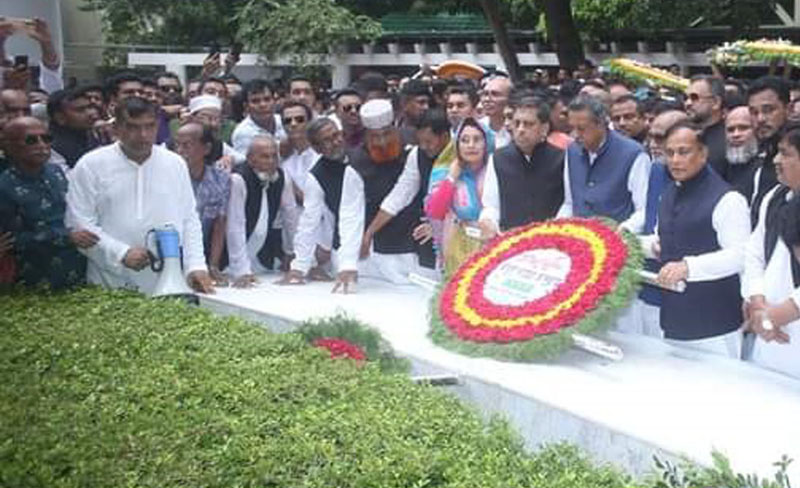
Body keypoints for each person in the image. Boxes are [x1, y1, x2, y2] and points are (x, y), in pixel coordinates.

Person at [66, 97, 214, 295]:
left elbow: (189, 219)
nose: (143, 135)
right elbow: (79, 224)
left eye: (150, 126)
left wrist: (196, 266)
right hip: (108, 281)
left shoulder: (174, 164)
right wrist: (121, 253)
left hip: (168, 282)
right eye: (133, 127)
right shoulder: (91, 165)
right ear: (116, 128)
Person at [642, 122, 750, 357]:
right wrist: (633, 245)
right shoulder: (669, 193)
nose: (675, 160)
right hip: (674, 319)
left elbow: (741, 255)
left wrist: (689, 267)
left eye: (683, 152)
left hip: (715, 326)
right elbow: (663, 241)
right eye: (670, 153)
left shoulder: (729, 199)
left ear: (703, 153)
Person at [335, 99, 421, 292]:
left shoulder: (415, 144)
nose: (381, 142)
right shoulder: (356, 163)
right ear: (366, 136)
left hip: (416, 241)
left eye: (386, 135)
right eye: (375, 137)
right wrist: (348, 263)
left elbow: (403, 194)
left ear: (395, 128)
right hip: (378, 250)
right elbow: (350, 211)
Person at [0, 117, 92, 289]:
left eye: (46, 138)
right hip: (36, 280)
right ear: (9, 146)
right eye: (31, 140)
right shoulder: (4, 187)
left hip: (77, 271)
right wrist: (65, 237)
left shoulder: (55, 172)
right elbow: (12, 241)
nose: (41, 145)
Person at [742, 124, 800, 379]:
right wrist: (757, 301)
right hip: (767, 327)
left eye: (785, 153)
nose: (776, 160)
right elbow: (754, 252)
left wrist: (781, 314)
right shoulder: (775, 196)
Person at [365, 108, 452, 273]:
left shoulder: (461, 153)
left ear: (445, 136)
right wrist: (370, 231)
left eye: (429, 141)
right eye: (421, 142)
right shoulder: (417, 154)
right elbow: (401, 194)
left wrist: (440, 226)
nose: (424, 147)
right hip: (431, 237)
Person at [559, 95, 651, 233]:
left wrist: (622, 231)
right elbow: (570, 203)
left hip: (619, 242)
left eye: (582, 128)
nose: (575, 135)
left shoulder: (633, 154)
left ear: (601, 124)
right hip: (578, 239)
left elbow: (644, 209)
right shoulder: (572, 150)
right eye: (572, 128)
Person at [479, 96, 564, 237]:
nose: (520, 129)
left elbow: (568, 203)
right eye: (517, 123)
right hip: (510, 241)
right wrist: (488, 220)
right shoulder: (499, 158)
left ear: (544, 128)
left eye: (528, 124)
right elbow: (491, 205)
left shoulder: (561, 159)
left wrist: (555, 229)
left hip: (551, 240)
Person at [225, 135, 298, 287]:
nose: (271, 162)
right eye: (265, 157)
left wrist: (292, 253)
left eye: (274, 156)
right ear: (250, 159)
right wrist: (241, 270)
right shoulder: (238, 179)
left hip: (264, 257)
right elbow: (234, 226)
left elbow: (291, 217)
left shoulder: (282, 177)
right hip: (231, 261)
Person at [281, 117, 347, 284]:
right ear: (317, 149)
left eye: (336, 135)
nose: (336, 141)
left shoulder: (362, 157)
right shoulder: (317, 176)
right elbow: (309, 220)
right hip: (347, 245)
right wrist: (299, 267)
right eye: (327, 140)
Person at [425, 117, 489, 274]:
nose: (471, 145)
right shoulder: (444, 173)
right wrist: (452, 178)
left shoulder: (496, 170)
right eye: (465, 140)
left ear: (487, 143)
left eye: (477, 140)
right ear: (456, 145)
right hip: (455, 247)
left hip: (490, 249)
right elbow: (435, 211)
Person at [173, 122, 230, 283]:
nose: (180, 151)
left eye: (187, 145)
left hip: (199, 255)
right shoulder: (168, 177)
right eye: (177, 145)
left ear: (206, 148)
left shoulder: (221, 179)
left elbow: (219, 224)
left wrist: (212, 266)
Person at [748, 76, 790, 226]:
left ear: (789, 109)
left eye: (768, 110)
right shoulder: (761, 153)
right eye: (753, 112)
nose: (760, 119)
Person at [685, 75, 728, 180]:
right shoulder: (688, 135)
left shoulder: (730, 139)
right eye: (685, 98)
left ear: (716, 102)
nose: (688, 103)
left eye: (694, 98)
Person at [48, 87, 100, 169]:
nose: (91, 113)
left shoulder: (96, 133)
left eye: (90, 107)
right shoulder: (50, 146)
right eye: (80, 110)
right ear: (60, 117)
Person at [231, 79, 285, 155]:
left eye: (267, 99)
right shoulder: (242, 133)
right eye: (255, 101)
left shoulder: (285, 121)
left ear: (274, 101)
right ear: (246, 106)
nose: (263, 105)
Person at [280, 101, 318, 205]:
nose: (293, 124)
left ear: (310, 122)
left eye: (299, 119)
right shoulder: (282, 161)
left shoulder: (322, 155)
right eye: (287, 121)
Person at [724, 105, 760, 199]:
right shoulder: (725, 166)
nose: (736, 134)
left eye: (743, 128)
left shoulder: (765, 167)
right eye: (730, 130)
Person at [479, 76, 512, 150]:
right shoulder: (476, 128)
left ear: (509, 99)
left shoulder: (517, 130)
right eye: (485, 94)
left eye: (495, 94)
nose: (487, 99)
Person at [397, 79, 431, 146]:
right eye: (421, 102)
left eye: (428, 103)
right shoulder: (393, 133)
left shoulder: (434, 134)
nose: (426, 107)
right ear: (405, 104)